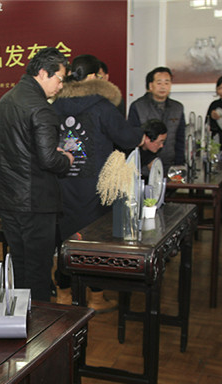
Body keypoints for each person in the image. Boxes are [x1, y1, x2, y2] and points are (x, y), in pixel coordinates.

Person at [52, 54, 143, 311]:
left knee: (64, 240)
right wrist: (141, 132)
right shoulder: (103, 106)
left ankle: (63, 294)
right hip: (94, 186)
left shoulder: (54, 104)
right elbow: (126, 138)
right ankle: (96, 297)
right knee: (93, 242)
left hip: (62, 183)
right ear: (94, 76)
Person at [0, 46, 73, 302]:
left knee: (20, 264)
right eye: (59, 79)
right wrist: (66, 159)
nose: (61, 86)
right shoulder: (41, 108)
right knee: (38, 269)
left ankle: (20, 318)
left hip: (8, 199)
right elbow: (49, 159)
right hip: (35, 202)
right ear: (43, 73)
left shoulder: (5, 101)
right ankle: (39, 322)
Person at [127, 66, 185, 169]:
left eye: (166, 83)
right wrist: (146, 161)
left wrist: (179, 164)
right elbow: (133, 139)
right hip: (144, 166)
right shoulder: (138, 106)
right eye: (159, 83)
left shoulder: (177, 108)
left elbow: (180, 139)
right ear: (150, 86)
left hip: (170, 165)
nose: (163, 87)